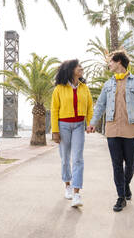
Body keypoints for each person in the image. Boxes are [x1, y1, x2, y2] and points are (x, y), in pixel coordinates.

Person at [87, 51, 134, 212]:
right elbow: (100, 105)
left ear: (119, 61)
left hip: (130, 129)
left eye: (111, 62)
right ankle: (121, 196)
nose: (109, 65)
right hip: (112, 129)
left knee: (130, 163)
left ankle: (126, 184)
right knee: (116, 164)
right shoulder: (108, 84)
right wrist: (93, 122)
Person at [51, 59, 93, 207]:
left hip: (79, 126)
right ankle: (67, 185)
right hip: (63, 125)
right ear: (70, 70)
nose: (81, 68)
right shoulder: (59, 89)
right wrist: (55, 131)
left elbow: (89, 107)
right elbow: (54, 110)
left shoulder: (84, 88)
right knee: (65, 158)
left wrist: (90, 123)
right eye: (78, 66)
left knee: (78, 159)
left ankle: (76, 194)